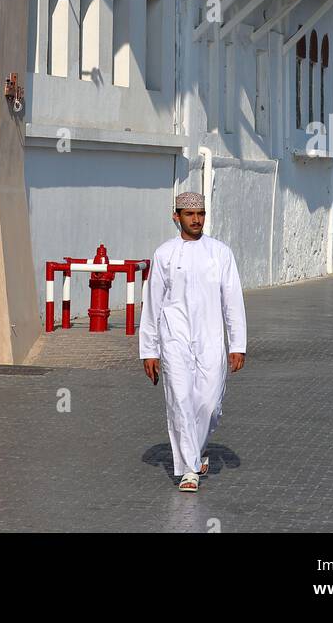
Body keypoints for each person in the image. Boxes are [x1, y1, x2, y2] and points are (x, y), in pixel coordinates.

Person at [139, 192, 246, 492]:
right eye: (189, 214)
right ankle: (189, 469)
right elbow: (152, 304)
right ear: (176, 217)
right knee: (181, 401)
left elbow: (233, 301)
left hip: (211, 338)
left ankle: (194, 455)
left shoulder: (221, 253)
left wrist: (238, 343)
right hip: (174, 338)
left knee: (210, 404)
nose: (196, 220)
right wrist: (149, 350)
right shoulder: (164, 254)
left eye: (200, 215)